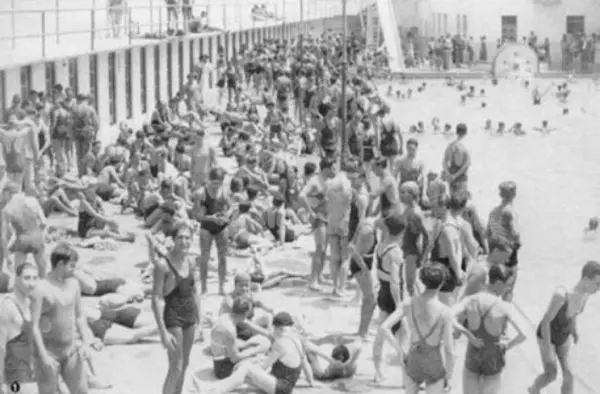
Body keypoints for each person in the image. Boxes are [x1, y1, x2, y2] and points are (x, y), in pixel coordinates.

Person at [378, 264, 456, 394]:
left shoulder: (409, 303)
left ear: (423, 281)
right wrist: (450, 377)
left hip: (413, 357)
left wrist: (400, 350)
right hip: (433, 361)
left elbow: (383, 328)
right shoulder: (444, 312)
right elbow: (449, 350)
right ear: (442, 283)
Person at [199, 311, 318, 394]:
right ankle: (219, 388)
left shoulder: (279, 344)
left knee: (246, 369)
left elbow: (263, 366)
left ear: (276, 328)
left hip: (279, 387)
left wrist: (251, 361)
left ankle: (214, 391)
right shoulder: (297, 338)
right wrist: (311, 382)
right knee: (244, 373)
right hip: (287, 384)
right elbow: (304, 363)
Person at [529, 261, 600, 394]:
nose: (599, 288)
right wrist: (549, 347)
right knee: (551, 374)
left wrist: (574, 330)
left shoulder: (585, 296)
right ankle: (534, 389)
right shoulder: (561, 295)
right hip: (546, 335)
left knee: (570, 374)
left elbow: (574, 314)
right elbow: (546, 322)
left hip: (563, 336)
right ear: (585, 279)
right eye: (597, 283)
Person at [455, 264, 527, 394]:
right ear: (499, 283)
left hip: (473, 354)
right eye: (507, 285)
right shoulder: (503, 306)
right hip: (493, 358)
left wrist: (468, 335)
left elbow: (449, 316)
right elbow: (523, 335)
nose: (507, 289)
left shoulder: (471, 300)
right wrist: (506, 347)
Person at [31, 243, 91, 394]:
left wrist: (85, 343)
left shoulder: (74, 285)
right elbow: (33, 326)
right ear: (60, 264)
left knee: (82, 391)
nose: (74, 270)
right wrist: (44, 357)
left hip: (71, 350)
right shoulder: (40, 289)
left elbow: (80, 316)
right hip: (49, 353)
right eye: (71, 266)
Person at [149, 225, 201, 394]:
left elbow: (195, 292)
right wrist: (162, 331)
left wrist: (199, 322)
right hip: (173, 318)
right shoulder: (163, 265)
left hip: (190, 317)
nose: (184, 241)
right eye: (180, 237)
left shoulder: (192, 261)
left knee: (184, 364)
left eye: (187, 238)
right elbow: (156, 298)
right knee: (175, 367)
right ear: (173, 239)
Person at [372, 211, 406, 382]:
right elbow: (395, 281)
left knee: (380, 337)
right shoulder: (395, 252)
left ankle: (378, 373)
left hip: (382, 293)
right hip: (393, 296)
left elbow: (379, 272)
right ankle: (406, 379)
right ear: (402, 232)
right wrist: (400, 303)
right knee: (403, 339)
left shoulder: (381, 245)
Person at [209, 297, 271, 380]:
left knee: (258, 341)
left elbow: (249, 324)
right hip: (223, 369)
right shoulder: (229, 329)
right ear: (245, 313)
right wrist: (256, 350)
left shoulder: (226, 316)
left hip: (221, 357)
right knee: (262, 360)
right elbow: (234, 358)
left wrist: (249, 345)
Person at [0, 262, 38, 394]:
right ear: (17, 279)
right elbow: (1, 346)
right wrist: (1, 382)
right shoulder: (8, 306)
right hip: (14, 374)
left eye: (34, 278)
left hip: (28, 371)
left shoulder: (29, 302)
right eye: (27, 278)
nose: (31, 283)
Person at [193, 167, 231, 295]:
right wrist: (211, 218)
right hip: (207, 227)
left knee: (223, 257)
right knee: (205, 257)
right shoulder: (200, 193)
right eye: (214, 183)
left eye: (219, 183)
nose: (216, 186)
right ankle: (204, 287)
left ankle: (221, 286)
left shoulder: (225, 191)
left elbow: (229, 207)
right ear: (209, 180)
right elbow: (196, 215)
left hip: (221, 226)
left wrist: (226, 216)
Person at [0, 181, 48, 277]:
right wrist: (38, 236)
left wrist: (7, 258)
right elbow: (43, 223)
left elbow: (3, 238)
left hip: (22, 240)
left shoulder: (7, 209)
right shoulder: (33, 200)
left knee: (19, 275)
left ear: (7, 193)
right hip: (37, 238)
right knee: (43, 275)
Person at [486, 181, 520, 302]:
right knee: (507, 294)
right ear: (514, 194)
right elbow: (515, 233)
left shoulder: (493, 212)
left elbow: (488, 234)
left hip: (495, 257)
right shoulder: (510, 212)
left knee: (492, 293)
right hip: (509, 259)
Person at [399, 181, 430, 296]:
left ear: (412, 194)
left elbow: (427, 236)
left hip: (411, 252)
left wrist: (423, 256)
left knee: (410, 286)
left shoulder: (416, 213)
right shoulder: (408, 209)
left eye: (403, 192)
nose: (400, 194)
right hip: (405, 250)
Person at [442, 123, 470, 195]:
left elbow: (444, 162)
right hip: (461, 176)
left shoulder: (450, 145)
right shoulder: (465, 146)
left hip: (451, 173)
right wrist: (456, 176)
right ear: (466, 132)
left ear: (456, 132)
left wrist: (449, 174)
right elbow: (466, 165)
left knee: (453, 201)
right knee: (461, 201)